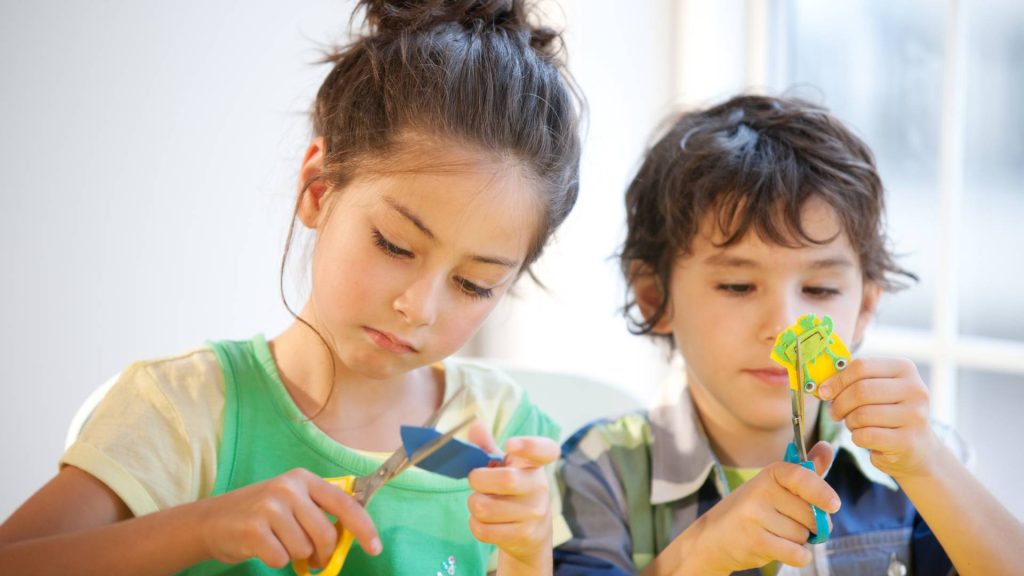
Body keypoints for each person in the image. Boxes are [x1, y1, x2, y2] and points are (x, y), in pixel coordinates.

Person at [0, 1, 582, 574]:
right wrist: (202, 528)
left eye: (473, 284)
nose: (418, 308)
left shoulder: (509, 429)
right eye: (395, 246)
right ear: (318, 190)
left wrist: (527, 557)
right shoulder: (189, 411)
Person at [553, 94, 1024, 575]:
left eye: (819, 289)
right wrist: (701, 554)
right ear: (656, 297)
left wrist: (928, 465)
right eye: (737, 286)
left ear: (864, 307)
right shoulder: (600, 471)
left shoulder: (919, 458)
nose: (782, 327)